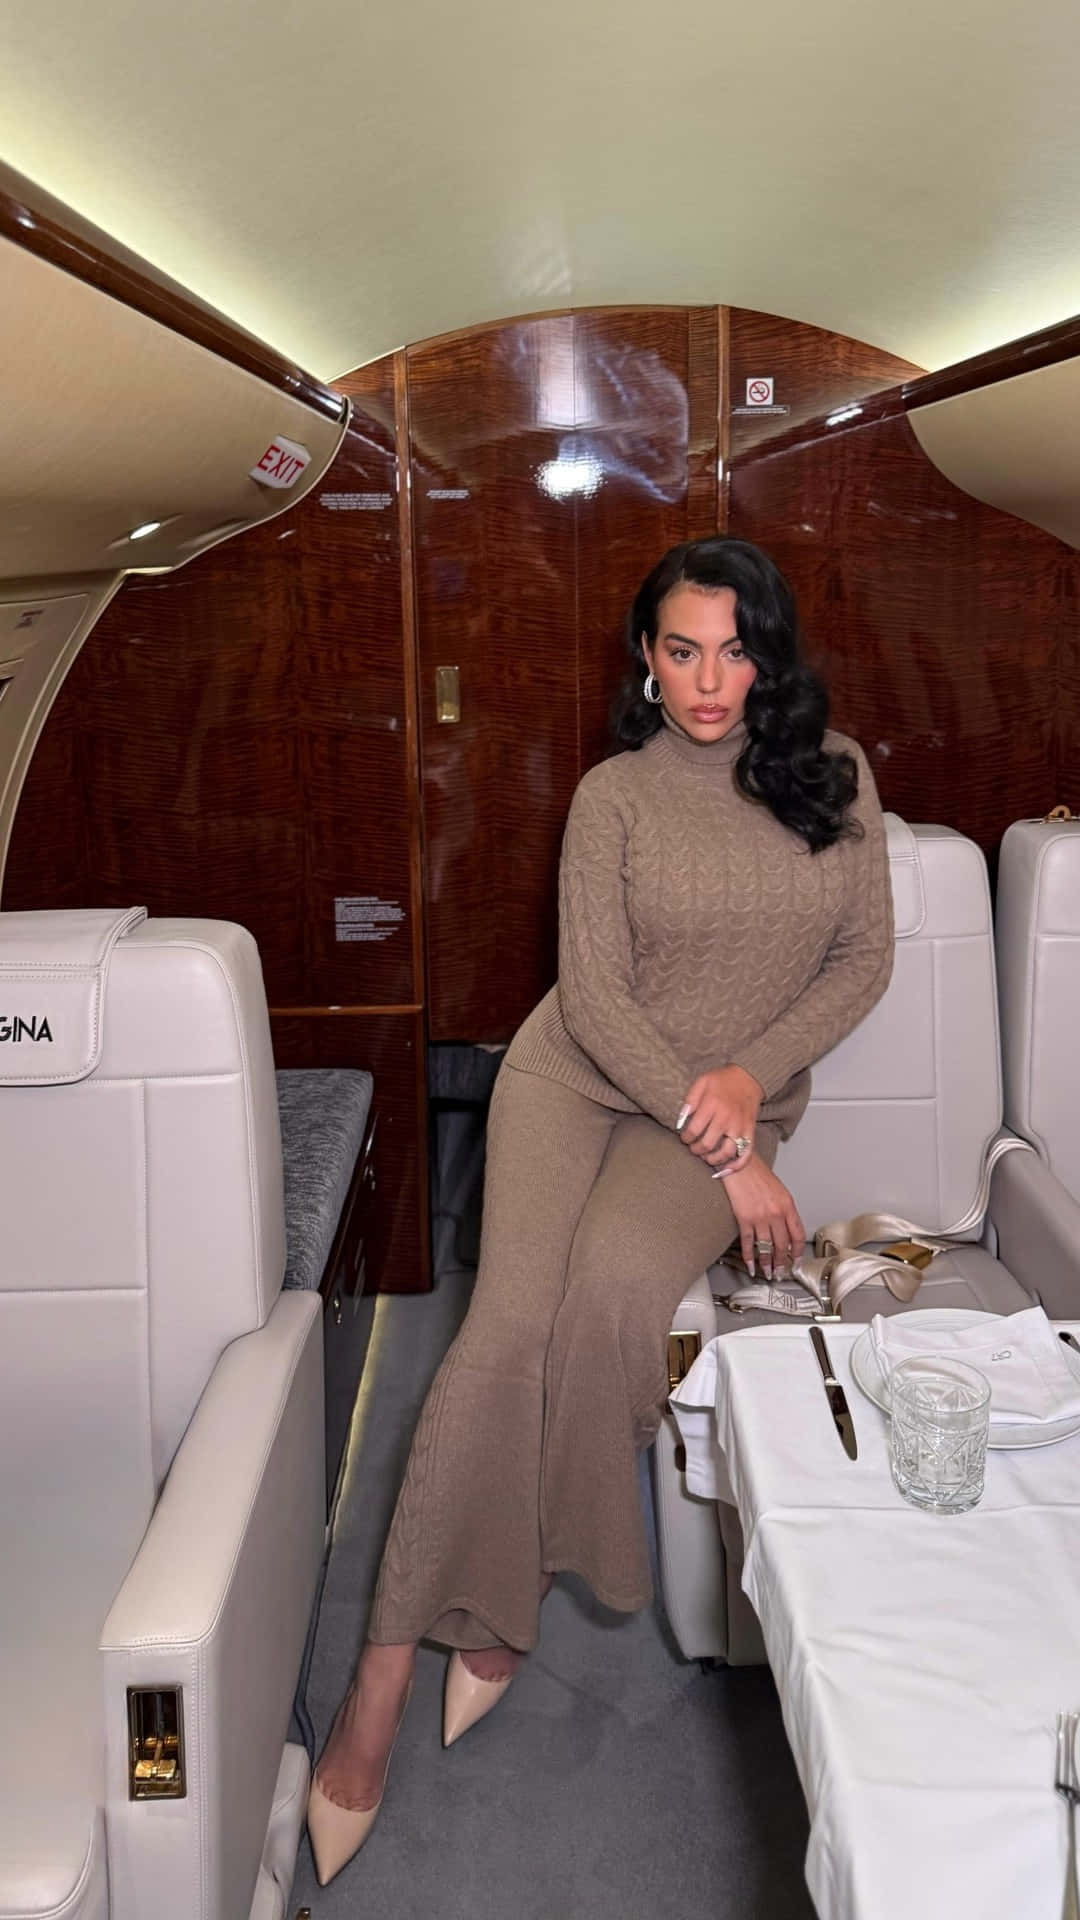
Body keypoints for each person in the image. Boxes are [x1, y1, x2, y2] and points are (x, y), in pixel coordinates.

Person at [306, 534, 894, 1884]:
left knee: (613, 1301)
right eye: (683, 651)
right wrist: (729, 1148)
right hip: (578, 1078)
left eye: (736, 651)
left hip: (723, 1104)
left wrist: (748, 1084)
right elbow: (596, 996)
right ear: (646, 658)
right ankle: (377, 1687)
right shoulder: (613, 795)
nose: (711, 682)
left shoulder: (839, 774)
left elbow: (861, 963)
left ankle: (505, 1598)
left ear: (770, 656)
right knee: (500, 1332)